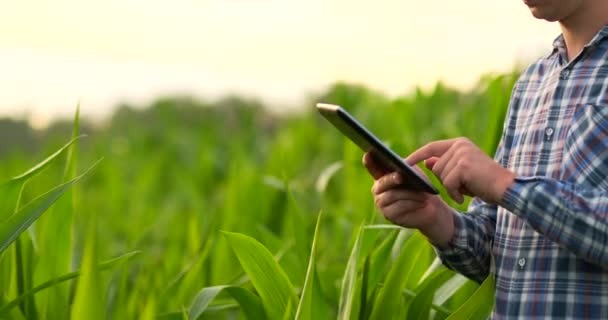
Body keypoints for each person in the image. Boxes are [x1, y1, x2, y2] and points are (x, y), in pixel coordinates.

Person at [363, 0, 608, 318]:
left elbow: (505, 188)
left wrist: (503, 183)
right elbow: (501, 257)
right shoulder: (532, 84)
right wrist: (436, 219)